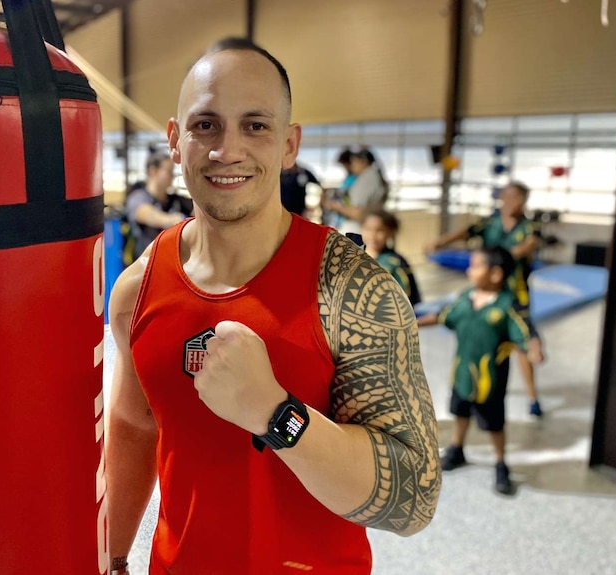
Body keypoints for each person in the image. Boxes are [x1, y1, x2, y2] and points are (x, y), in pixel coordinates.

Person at [106, 37, 441, 575]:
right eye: (205, 124)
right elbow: (133, 424)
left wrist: (275, 414)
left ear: (289, 145)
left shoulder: (353, 291)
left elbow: (415, 499)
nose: (227, 149)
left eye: (255, 125)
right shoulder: (138, 288)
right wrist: (115, 555)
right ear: (174, 139)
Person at [417, 247, 543, 495]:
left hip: (490, 383)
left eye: (475, 266)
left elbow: (527, 332)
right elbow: (443, 315)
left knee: (494, 424)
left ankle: (500, 462)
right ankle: (457, 448)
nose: (469, 270)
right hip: (462, 374)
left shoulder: (508, 306)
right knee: (460, 412)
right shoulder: (465, 299)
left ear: (495, 274)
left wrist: (534, 349)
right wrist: (412, 321)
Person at [426, 182, 544, 416]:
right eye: (509, 197)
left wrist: (496, 260)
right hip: (487, 290)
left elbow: (529, 245)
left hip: (514, 293)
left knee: (520, 342)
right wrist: (441, 242)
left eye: (519, 199)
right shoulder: (490, 222)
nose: (513, 203)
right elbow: (467, 232)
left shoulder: (529, 227)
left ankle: (532, 397)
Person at [124, 151, 193, 263]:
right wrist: (171, 220)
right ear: (153, 171)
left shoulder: (176, 200)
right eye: (168, 171)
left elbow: (198, 210)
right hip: (145, 267)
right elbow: (145, 213)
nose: (172, 176)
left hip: (172, 265)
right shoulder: (138, 197)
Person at [361, 209, 421, 307]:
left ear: (390, 233)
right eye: (368, 229)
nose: (373, 235)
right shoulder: (355, 257)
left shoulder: (395, 264)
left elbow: (405, 299)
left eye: (379, 230)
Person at [323, 148, 389, 236]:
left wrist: (335, 206)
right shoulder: (371, 176)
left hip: (356, 231)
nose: (352, 165)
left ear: (363, 162)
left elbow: (358, 213)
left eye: (354, 161)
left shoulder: (367, 180)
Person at [320, 147, 356, 230]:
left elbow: (347, 197)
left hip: (347, 216)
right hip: (340, 218)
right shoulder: (348, 178)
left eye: (344, 165)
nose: (344, 168)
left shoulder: (355, 179)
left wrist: (334, 205)